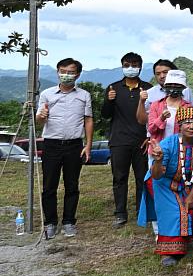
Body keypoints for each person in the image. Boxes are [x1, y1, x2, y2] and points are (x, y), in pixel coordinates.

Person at [36, 57, 93, 239]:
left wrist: (88, 145)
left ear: (78, 74)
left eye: (70, 72)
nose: (66, 75)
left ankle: (69, 221)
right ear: (57, 72)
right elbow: (40, 119)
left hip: (74, 145)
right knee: (49, 186)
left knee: (72, 185)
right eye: (63, 71)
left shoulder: (84, 95)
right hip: (51, 144)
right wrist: (42, 116)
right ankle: (50, 222)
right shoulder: (47, 94)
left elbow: (88, 120)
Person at [148, 108, 193, 266]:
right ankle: (168, 252)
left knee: (187, 209)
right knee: (173, 213)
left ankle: (181, 245)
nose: (191, 127)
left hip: (184, 183)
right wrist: (159, 160)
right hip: (162, 183)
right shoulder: (168, 144)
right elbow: (156, 175)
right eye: (187, 123)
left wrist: (191, 196)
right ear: (179, 125)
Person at [101, 52, 152, 229]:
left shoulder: (148, 88)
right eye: (127, 64)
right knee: (119, 178)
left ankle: (141, 212)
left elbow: (151, 116)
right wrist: (109, 101)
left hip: (141, 141)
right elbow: (105, 115)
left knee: (142, 178)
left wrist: (149, 137)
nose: (131, 68)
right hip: (119, 140)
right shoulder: (113, 88)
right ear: (122, 66)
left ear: (140, 66)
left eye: (134, 64)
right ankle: (120, 213)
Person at [146, 70, 193, 148]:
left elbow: (189, 131)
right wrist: (161, 118)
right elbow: (151, 130)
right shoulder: (156, 105)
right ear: (165, 87)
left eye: (177, 85)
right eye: (170, 85)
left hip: (178, 150)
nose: (173, 88)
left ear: (183, 88)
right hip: (157, 149)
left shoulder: (188, 107)